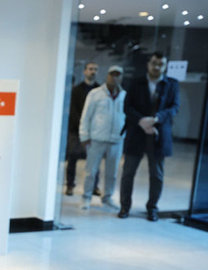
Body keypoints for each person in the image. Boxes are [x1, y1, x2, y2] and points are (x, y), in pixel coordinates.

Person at [118, 51, 180, 221]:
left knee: (157, 175)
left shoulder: (172, 84)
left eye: (161, 64)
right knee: (128, 173)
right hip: (136, 133)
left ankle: (152, 208)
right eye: (154, 63)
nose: (157, 67)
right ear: (148, 64)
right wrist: (142, 121)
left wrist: (157, 119)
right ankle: (125, 207)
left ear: (165, 66)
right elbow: (127, 107)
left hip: (159, 134)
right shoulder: (135, 82)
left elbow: (174, 107)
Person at [79, 65, 126, 211]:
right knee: (91, 171)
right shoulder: (95, 94)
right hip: (97, 139)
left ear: (121, 77)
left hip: (116, 140)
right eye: (112, 74)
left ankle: (107, 198)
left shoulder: (124, 95)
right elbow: (86, 116)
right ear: (107, 76)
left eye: (118, 75)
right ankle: (86, 197)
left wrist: (124, 136)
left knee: (112, 173)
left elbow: (127, 117)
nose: (114, 77)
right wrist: (84, 135)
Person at [66, 61, 100, 196]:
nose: (93, 71)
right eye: (90, 69)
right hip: (76, 130)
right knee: (72, 158)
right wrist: (83, 126)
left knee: (94, 160)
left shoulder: (100, 90)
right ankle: (70, 185)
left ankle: (94, 186)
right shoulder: (77, 90)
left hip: (94, 131)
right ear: (85, 71)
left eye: (95, 69)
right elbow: (73, 111)